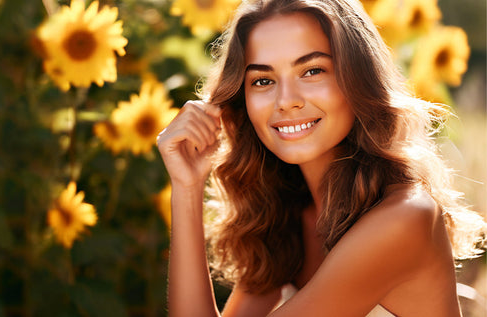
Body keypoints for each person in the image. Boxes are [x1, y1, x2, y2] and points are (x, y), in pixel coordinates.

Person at [156, 0, 486, 316]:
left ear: (358, 80)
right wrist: (187, 186)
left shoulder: (405, 218)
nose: (285, 101)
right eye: (263, 80)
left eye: (312, 71)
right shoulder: (290, 218)